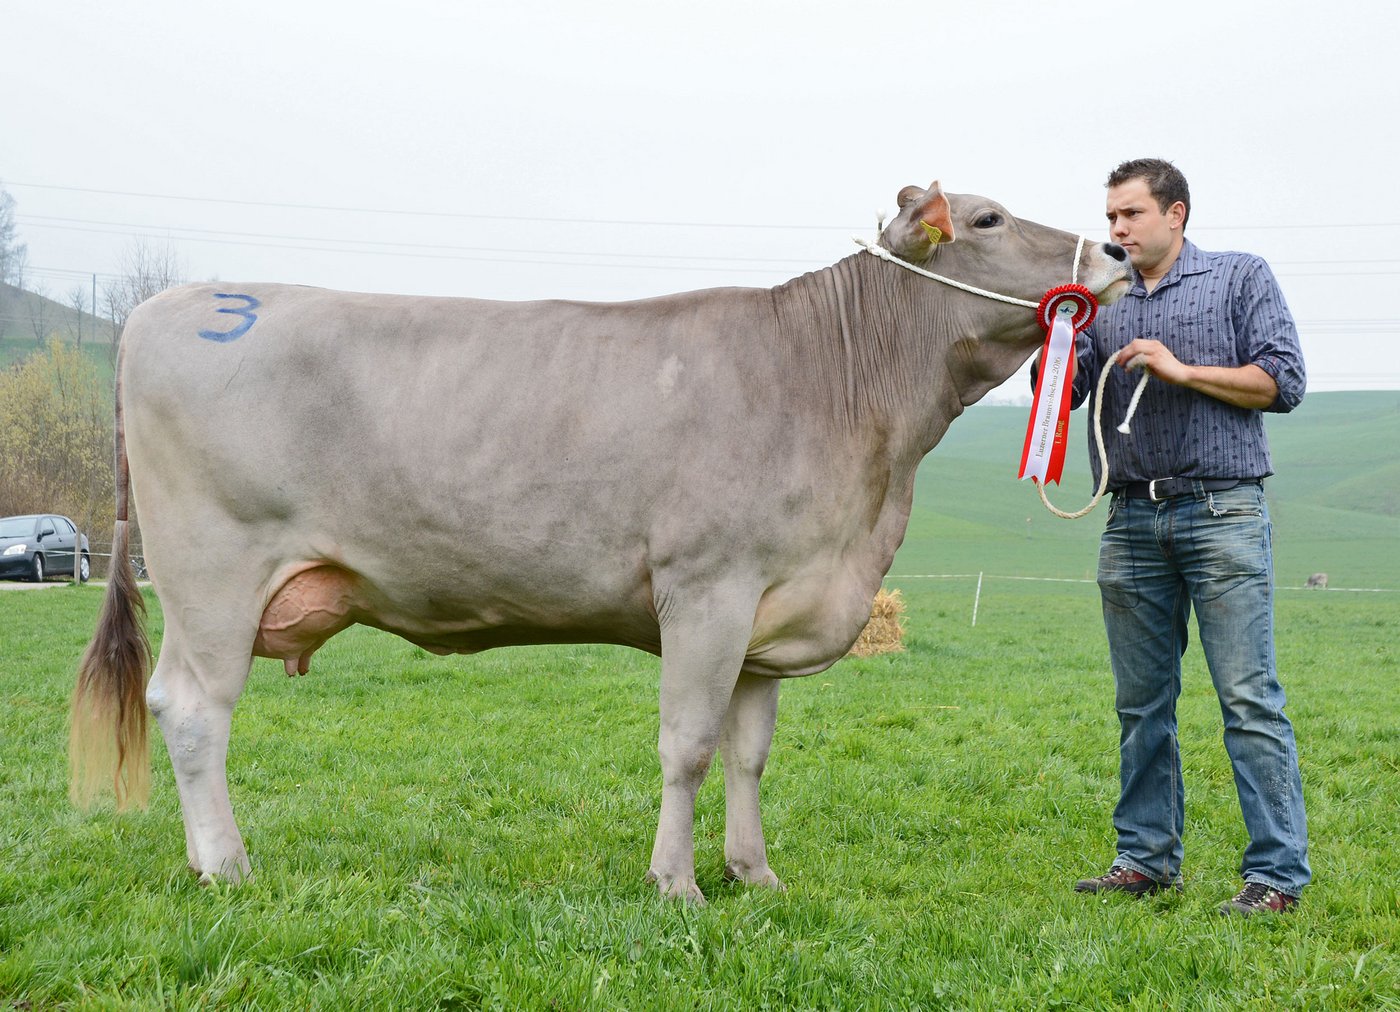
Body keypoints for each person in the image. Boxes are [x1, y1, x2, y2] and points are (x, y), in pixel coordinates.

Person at [1057, 158, 1310, 916]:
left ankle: (1275, 875)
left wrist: (1180, 368)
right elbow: (1066, 396)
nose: (1117, 230)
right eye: (1109, 218)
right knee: (1141, 705)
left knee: (1247, 698)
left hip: (1222, 512)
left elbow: (1283, 381)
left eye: (1130, 215)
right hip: (1129, 518)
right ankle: (1144, 859)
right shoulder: (1099, 301)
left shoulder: (1239, 278)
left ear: (1177, 215)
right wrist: (1051, 332)